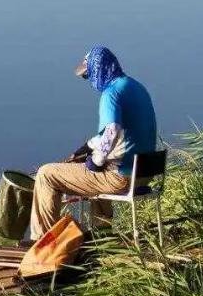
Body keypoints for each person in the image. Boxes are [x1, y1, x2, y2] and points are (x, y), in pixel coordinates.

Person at [29, 46, 157, 240]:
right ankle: (103, 236)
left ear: (99, 69)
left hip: (121, 178)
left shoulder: (111, 94)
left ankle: (42, 242)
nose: (88, 80)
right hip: (144, 173)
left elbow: (112, 130)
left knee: (46, 174)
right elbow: (118, 132)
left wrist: (95, 161)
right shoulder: (135, 87)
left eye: (88, 75)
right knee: (99, 168)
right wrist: (86, 148)